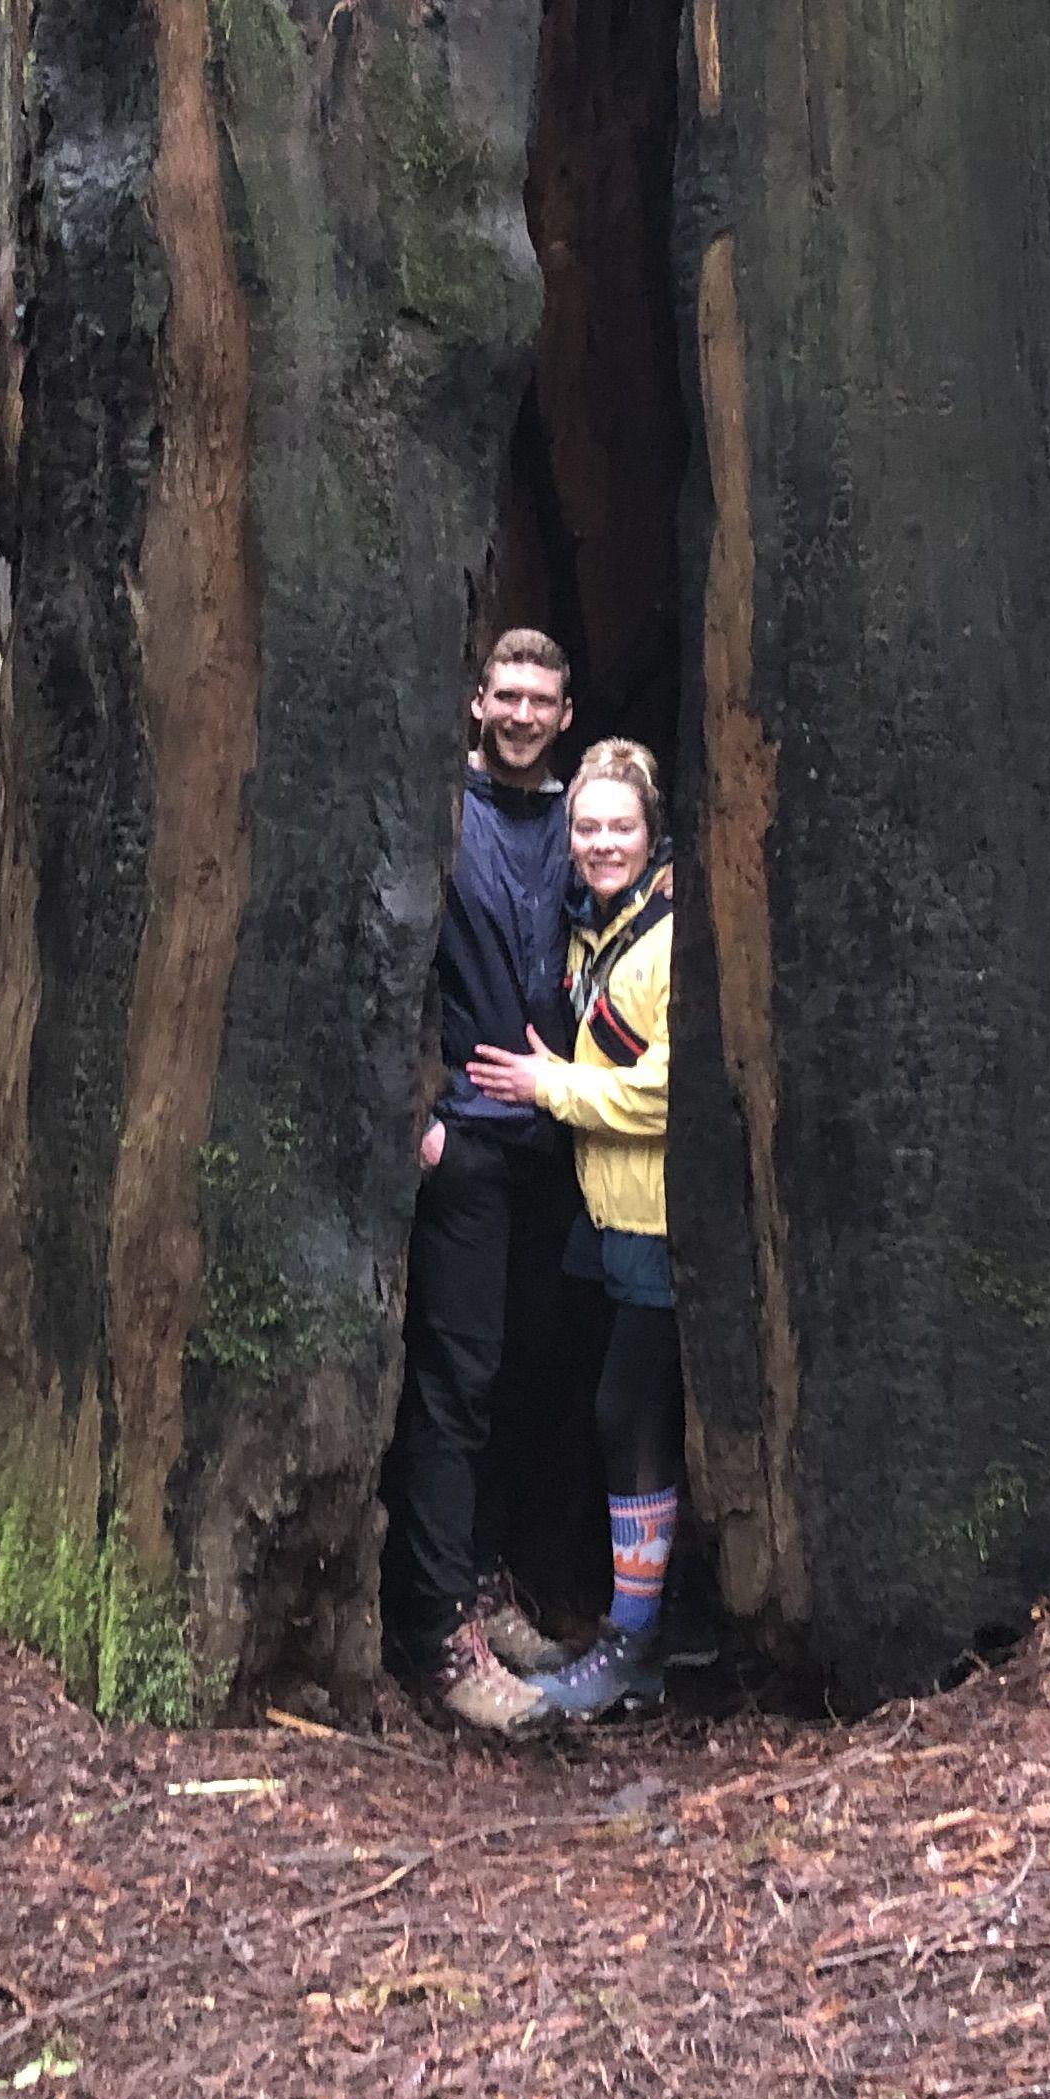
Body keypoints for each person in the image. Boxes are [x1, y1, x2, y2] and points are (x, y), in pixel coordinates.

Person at [386, 628, 587, 1738]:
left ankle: (485, 1582)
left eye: (538, 699)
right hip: (464, 1142)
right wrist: (421, 1114)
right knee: (453, 1384)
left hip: (557, 1145)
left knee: (519, 1375)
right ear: (476, 701)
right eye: (505, 694)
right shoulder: (440, 814)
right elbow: (395, 958)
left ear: (565, 714)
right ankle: (438, 1631)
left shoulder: (579, 822)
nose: (519, 713)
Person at [465, 736, 678, 1723]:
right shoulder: (594, 927)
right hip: (604, 1212)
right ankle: (643, 1622)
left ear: (651, 830)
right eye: (586, 827)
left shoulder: (666, 936)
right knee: (608, 1410)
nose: (601, 843)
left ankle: (636, 1646)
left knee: (633, 1415)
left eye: (619, 827)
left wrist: (550, 1085)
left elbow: (665, 1091)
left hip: (657, 1215)